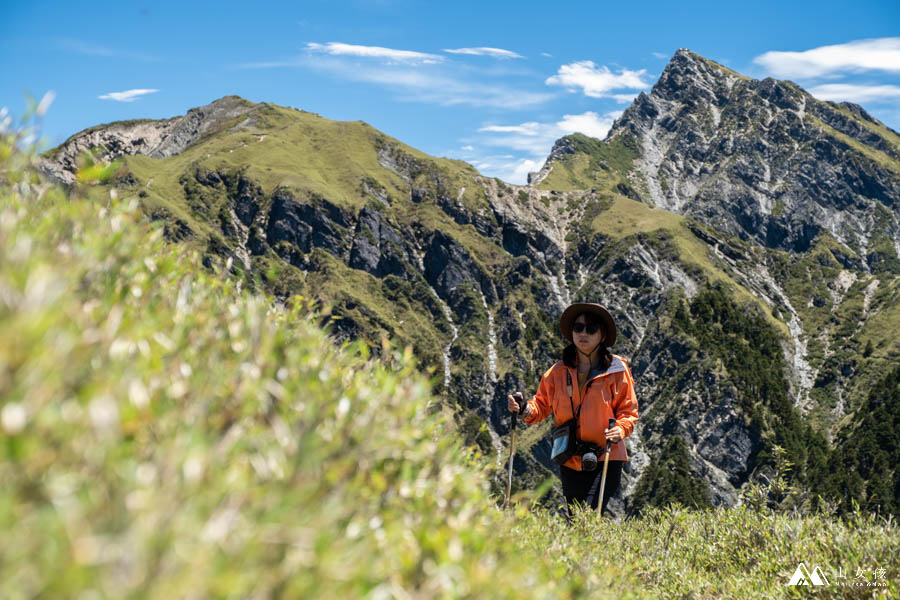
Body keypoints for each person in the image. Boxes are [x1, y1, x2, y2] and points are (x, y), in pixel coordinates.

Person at [507, 302, 639, 517]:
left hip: (606, 455)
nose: (583, 333)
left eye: (591, 328)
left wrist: (621, 430)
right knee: (575, 519)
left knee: (588, 516)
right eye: (578, 328)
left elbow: (628, 411)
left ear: (602, 334)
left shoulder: (617, 370)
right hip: (570, 458)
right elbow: (539, 406)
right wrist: (523, 409)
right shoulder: (557, 372)